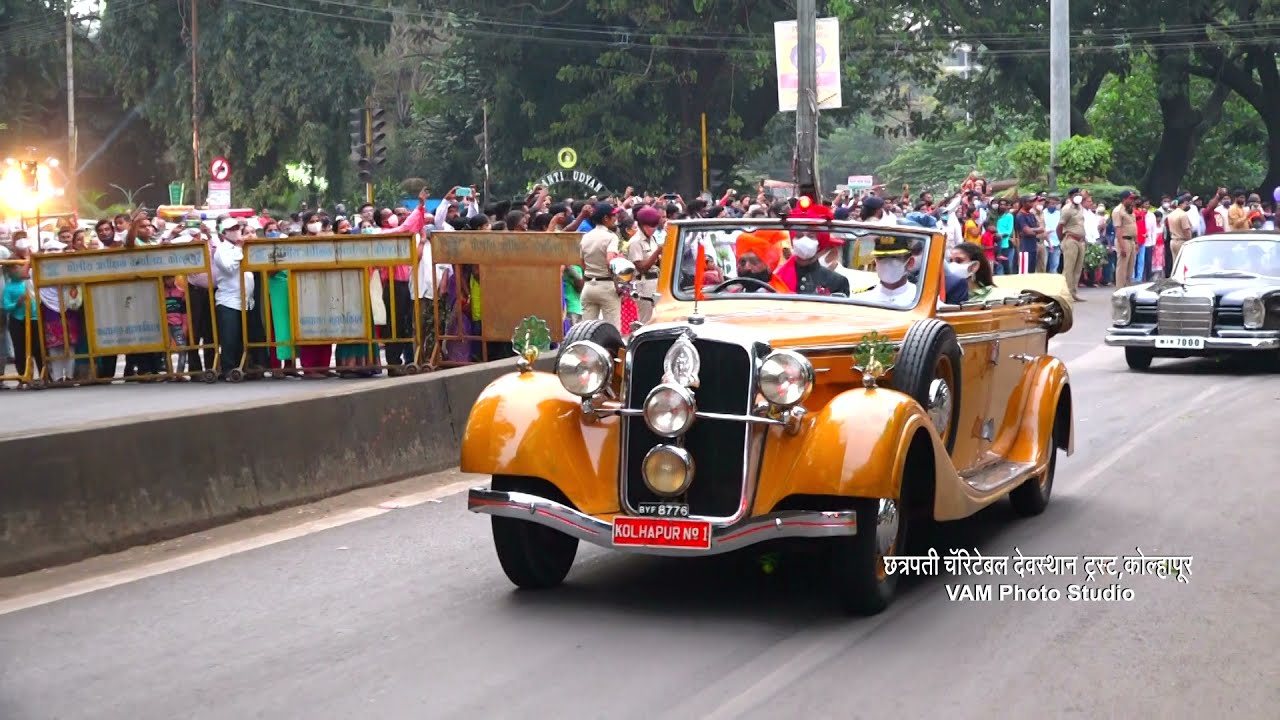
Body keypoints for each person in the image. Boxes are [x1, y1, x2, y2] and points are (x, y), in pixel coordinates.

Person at [773, 198, 850, 296]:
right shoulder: (777, 278)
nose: (804, 240)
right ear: (792, 241)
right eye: (799, 236)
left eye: (811, 236)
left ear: (819, 244)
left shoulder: (837, 282)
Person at [854, 234, 919, 308]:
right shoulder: (861, 299)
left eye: (894, 257)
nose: (887, 263)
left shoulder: (920, 298)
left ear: (910, 262)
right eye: (881, 258)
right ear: (875, 262)